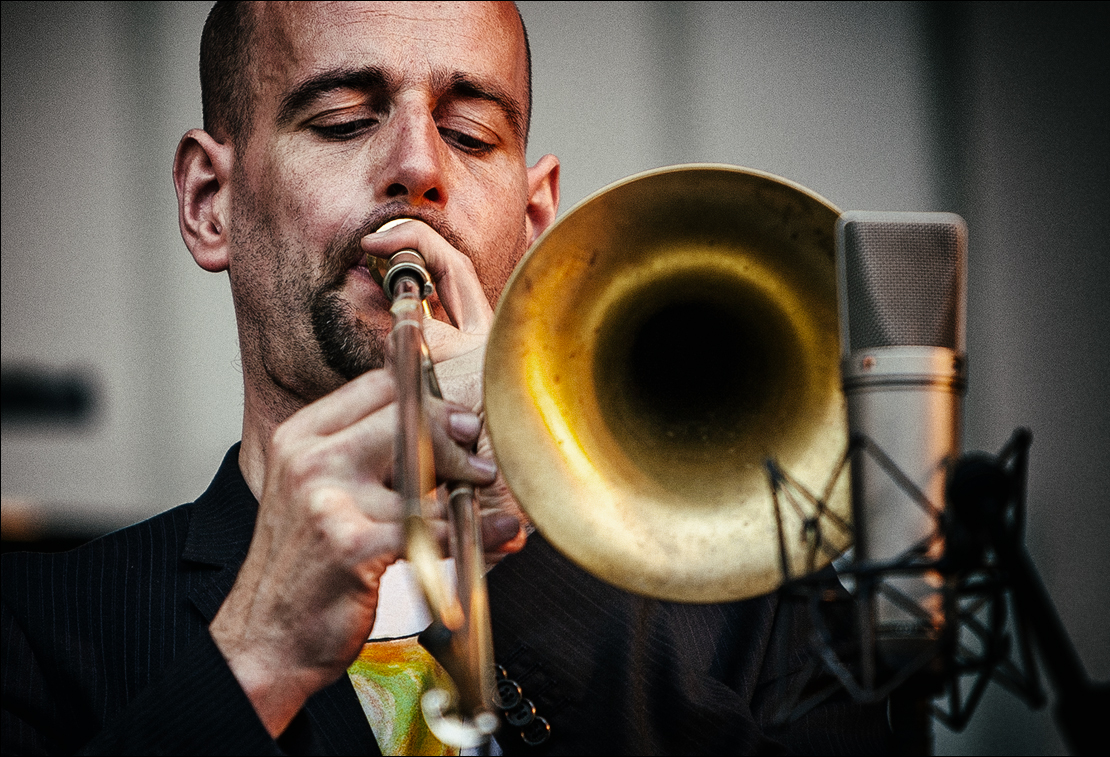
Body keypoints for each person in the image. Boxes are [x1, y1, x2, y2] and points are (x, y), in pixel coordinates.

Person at [1, 2, 891, 754]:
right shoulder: (37, 630)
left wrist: (516, 553)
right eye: (346, 119)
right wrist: (253, 658)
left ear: (536, 218)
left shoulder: (766, 616)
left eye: (470, 134)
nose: (420, 169)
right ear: (209, 203)